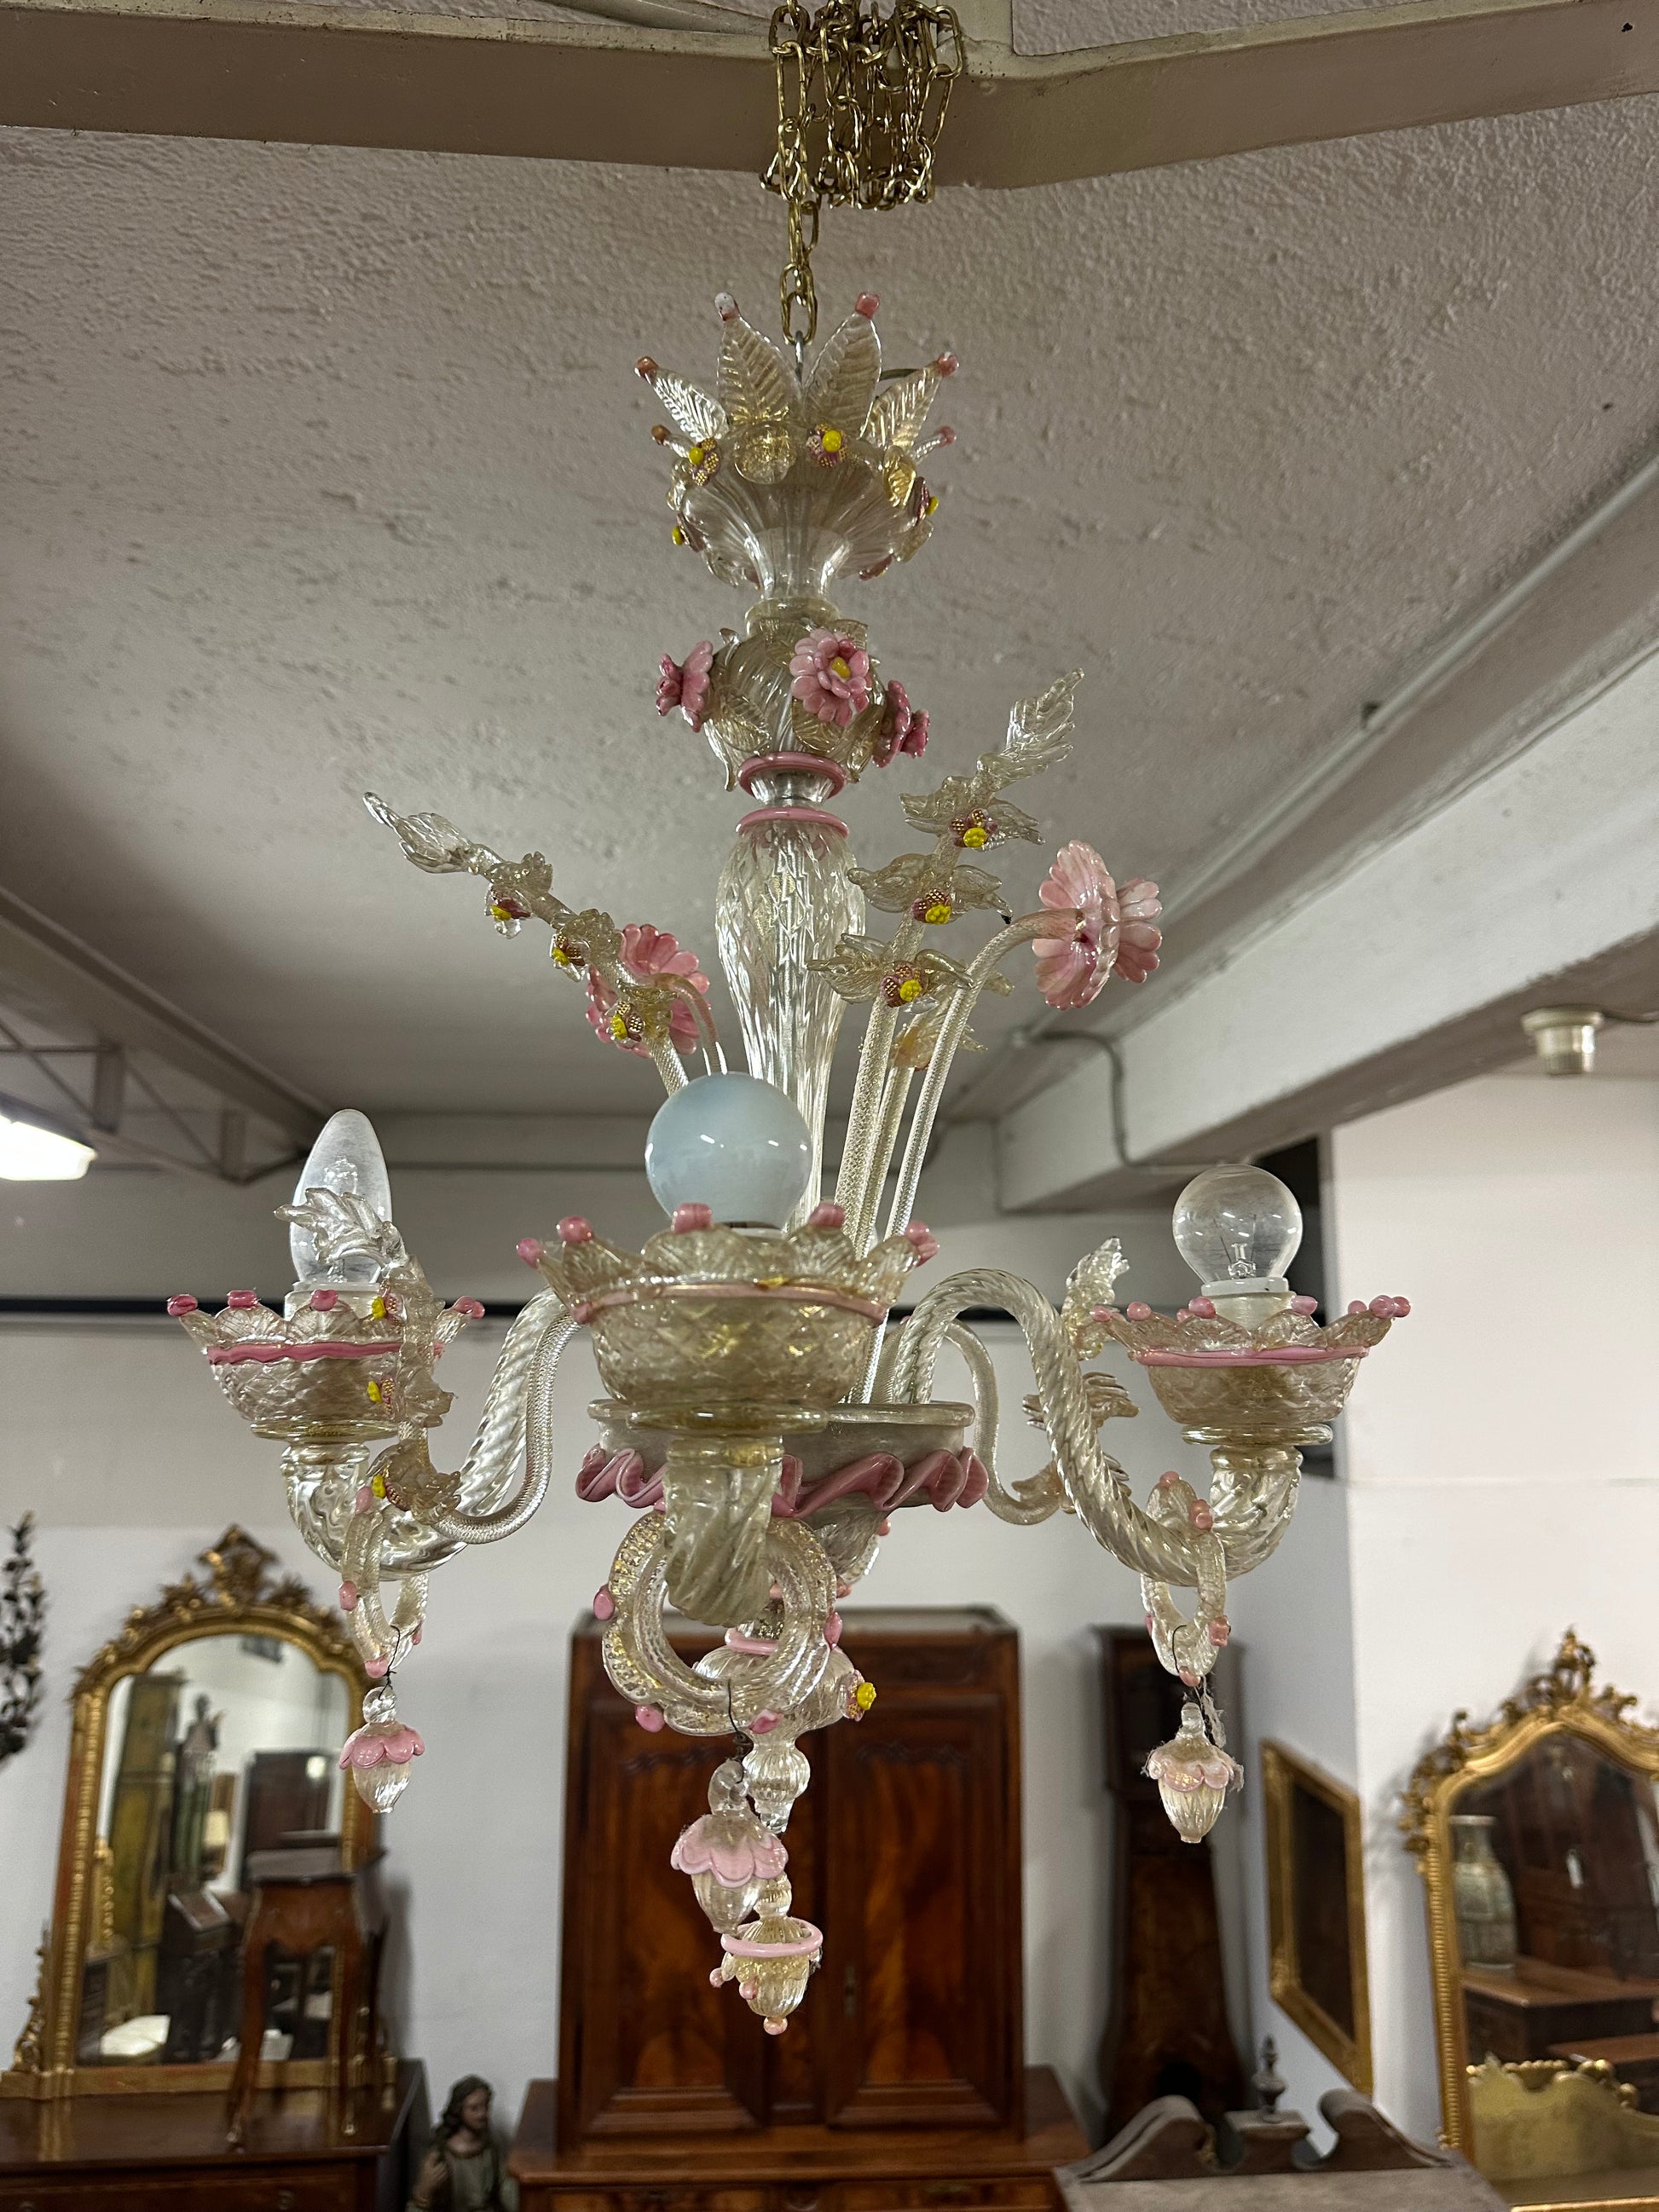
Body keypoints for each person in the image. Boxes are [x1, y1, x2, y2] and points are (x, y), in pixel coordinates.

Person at [409, 2075, 517, 2210]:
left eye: (485, 2106)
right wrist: (424, 2191)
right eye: (474, 2108)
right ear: (459, 2109)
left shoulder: (490, 2150)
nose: (482, 2114)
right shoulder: (440, 2154)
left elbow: (507, 2192)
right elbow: (419, 2203)